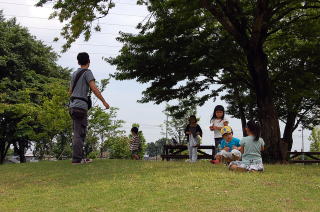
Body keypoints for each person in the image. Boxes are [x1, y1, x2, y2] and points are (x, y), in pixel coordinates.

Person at [69, 52, 110, 164]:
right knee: (79, 133)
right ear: (89, 62)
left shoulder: (73, 74)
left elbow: (70, 92)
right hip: (81, 107)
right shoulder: (87, 72)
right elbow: (94, 89)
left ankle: (79, 157)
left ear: (78, 62)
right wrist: (104, 102)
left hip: (72, 106)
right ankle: (77, 159)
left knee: (78, 132)